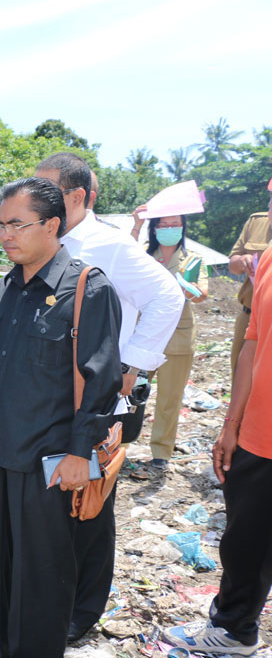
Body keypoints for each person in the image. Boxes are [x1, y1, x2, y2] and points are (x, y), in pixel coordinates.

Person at [0, 176, 123, 658]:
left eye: (18, 224)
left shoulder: (86, 289)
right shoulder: (6, 288)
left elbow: (101, 381)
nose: (6, 235)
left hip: (47, 458)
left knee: (42, 567)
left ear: (52, 224)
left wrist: (80, 453)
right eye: (1, 225)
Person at [34, 152, 183, 642]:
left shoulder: (109, 246)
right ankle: (48, 595)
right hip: (48, 398)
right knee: (53, 502)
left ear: (76, 196)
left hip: (95, 402)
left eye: (46, 190)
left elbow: (167, 296)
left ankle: (82, 611)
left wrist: (132, 364)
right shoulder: (45, 241)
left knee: (89, 508)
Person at [163, 249, 272, 656]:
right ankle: (234, 629)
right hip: (260, 435)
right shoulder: (269, 261)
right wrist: (232, 425)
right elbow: (252, 346)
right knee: (245, 541)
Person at [129, 211, 208, 475]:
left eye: (174, 224)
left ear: (183, 227)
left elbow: (201, 294)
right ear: (154, 228)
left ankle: (161, 452)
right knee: (130, 392)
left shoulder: (194, 259)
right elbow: (122, 261)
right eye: (163, 224)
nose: (169, 228)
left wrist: (187, 287)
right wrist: (137, 224)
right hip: (144, 334)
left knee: (169, 399)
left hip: (178, 337)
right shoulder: (142, 254)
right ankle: (121, 442)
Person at [226, 192, 271, 377]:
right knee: (241, 375)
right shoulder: (256, 222)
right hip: (250, 315)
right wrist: (242, 261)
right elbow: (232, 263)